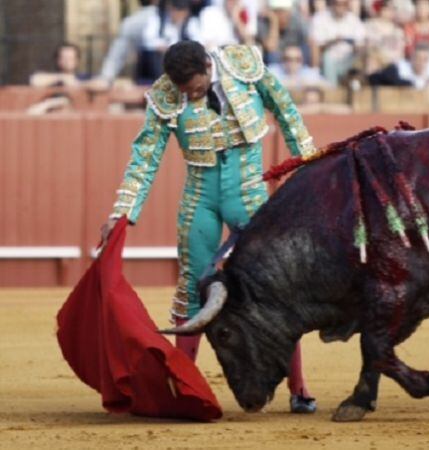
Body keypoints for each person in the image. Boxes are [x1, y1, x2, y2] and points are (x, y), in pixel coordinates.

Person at [100, 41, 317, 414]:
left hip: (249, 192)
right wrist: (122, 212)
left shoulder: (241, 65)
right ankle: (185, 384)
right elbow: (146, 155)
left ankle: (299, 387)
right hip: (200, 198)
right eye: (183, 90)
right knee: (191, 290)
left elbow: (285, 109)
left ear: (207, 65)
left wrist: (311, 164)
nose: (190, 94)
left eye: (195, 86)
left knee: (274, 290)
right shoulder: (166, 95)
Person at [96, 0, 160, 85]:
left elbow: (116, 56)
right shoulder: (166, 17)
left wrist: (105, 77)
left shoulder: (131, 21)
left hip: (144, 78)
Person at [309, 0, 366, 84]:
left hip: (348, 58)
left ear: (348, 5)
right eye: (337, 3)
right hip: (327, 57)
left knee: (365, 56)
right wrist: (334, 41)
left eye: (344, 4)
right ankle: (331, 89)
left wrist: (356, 47)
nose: (340, 7)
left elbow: (360, 43)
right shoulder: (320, 18)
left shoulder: (354, 20)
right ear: (331, 3)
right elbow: (316, 45)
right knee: (328, 58)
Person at [258, 0, 311, 65]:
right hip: (277, 59)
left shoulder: (296, 20)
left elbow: (307, 40)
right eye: (278, 12)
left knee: (306, 48)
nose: (283, 15)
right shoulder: (264, 22)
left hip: (294, 55)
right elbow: (270, 47)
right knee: (272, 55)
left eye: (285, 11)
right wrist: (274, 22)